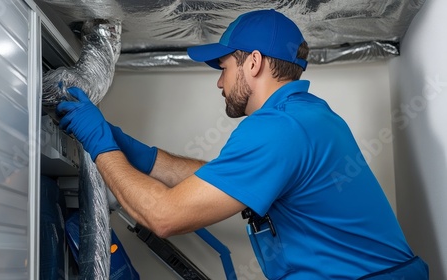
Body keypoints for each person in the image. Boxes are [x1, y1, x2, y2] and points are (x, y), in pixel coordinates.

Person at [57, 9, 429, 280]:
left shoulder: (281, 128)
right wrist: (140, 154)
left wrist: (100, 145)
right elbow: (223, 182)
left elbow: (165, 217)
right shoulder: (304, 115)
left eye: (224, 68)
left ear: (253, 62)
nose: (220, 83)